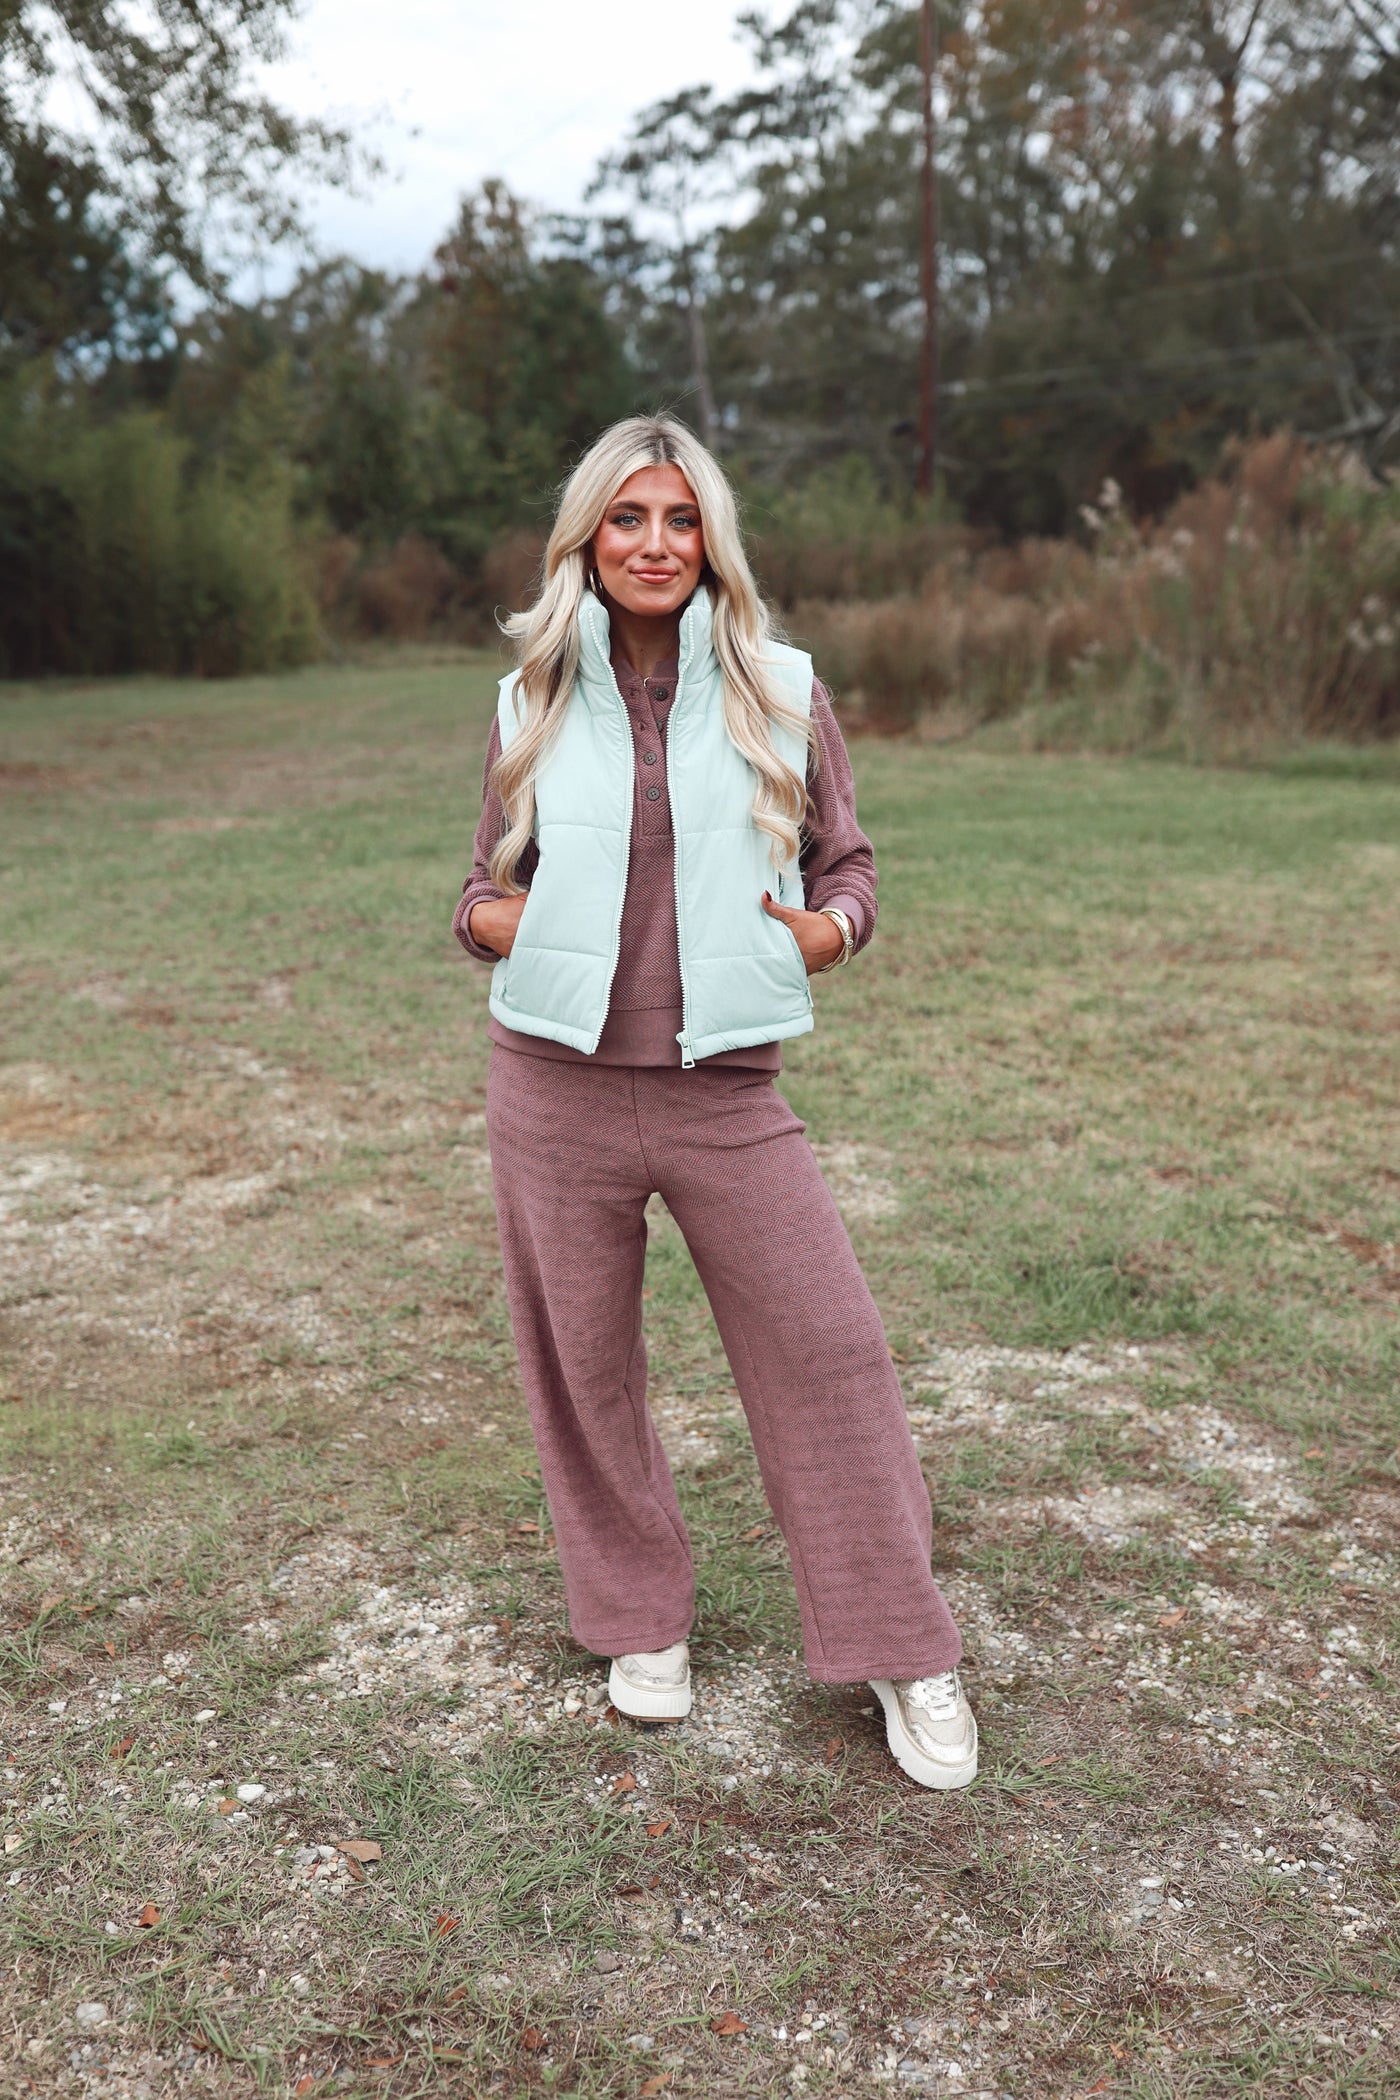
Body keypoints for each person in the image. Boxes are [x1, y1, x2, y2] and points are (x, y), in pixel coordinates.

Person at [453, 415, 976, 1790]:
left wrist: (832, 932)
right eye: (626, 519)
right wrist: (496, 923)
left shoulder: (782, 691)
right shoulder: (529, 700)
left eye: (680, 520)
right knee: (585, 1373)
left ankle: (905, 1646)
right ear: (587, 541)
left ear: (711, 543)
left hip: (727, 1092)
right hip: (552, 1090)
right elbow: (479, 885)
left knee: (834, 1354)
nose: (654, 545)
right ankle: (639, 1625)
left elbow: (849, 866)